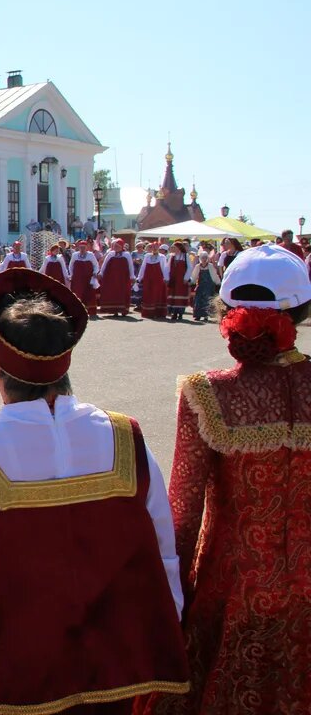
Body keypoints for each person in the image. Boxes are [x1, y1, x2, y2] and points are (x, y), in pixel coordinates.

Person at [0, 268, 188, 714]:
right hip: (113, 669)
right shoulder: (126, 437)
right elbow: (162, 546)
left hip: (4, 675)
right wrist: (165, 623)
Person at [140, 246, 311, 715]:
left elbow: (184, 508)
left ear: (228, 310)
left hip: (232, 585)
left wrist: (168, 597)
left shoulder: (208, 393)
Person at [99, 238, 134, 317]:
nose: (116, 247)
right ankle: (114, 310)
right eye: (115, 246)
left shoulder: (127, 254)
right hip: (111, 278)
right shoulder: (111, 254)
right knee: (113, 293)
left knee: (123, 293)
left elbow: (130, 266)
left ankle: (123, 310)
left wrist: (132, 276)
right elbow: (105, 264)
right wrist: (101, 273)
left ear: (122, 246)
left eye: (118, 246)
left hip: (123, 278)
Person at [137, 242, 170, 320]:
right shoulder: (147, 256)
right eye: (153, 247)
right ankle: (148, 313)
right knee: (148, 295)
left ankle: (158, 312)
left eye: (156, 247)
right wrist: (139, 277)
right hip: (148, 279)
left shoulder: (162, 257)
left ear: (158, 248)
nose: (154, 249)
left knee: (157, 294)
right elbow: (143, 267)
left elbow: (164, 268)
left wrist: (166, 278)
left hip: (158, 279)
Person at [68, 241, 100, 317]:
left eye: (84, 247)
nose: (82, 249)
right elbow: (71, 266)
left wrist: (95, 272)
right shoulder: (75, 255)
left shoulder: (91, 255)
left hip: (88, 279)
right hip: (77, 279)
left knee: (89, 294)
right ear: (78, 247)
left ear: (86, 247)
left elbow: (96, 265)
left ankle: (90, 311)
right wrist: (72, 275)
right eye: (81, 247)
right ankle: (77, 311)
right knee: (77, 294)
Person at [188, 251, 220, 322]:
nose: (204, 259)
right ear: (200, 258)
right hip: (200, 286)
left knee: (207, 300)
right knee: (198, 300)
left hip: (209, 286)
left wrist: (218, 283)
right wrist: (191, 282)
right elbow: (194, 275)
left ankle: (206, 315)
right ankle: (197, 315)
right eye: (202, 258)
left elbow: (214, 275)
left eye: (205, 257)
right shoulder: (198, 266)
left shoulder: (210, 266)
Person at [165, 241, 192, 321]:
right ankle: (174, 313)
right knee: (173, 295)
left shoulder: (185, 256)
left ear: (179, 248)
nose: (173, 249)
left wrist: (186, 278)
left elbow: (189, 267)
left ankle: (180, 313)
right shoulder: (171, 256)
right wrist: (167, 278)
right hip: (173, 279)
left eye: (174, 247)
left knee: (180, 295)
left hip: (181, 279)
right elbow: (167, 268)